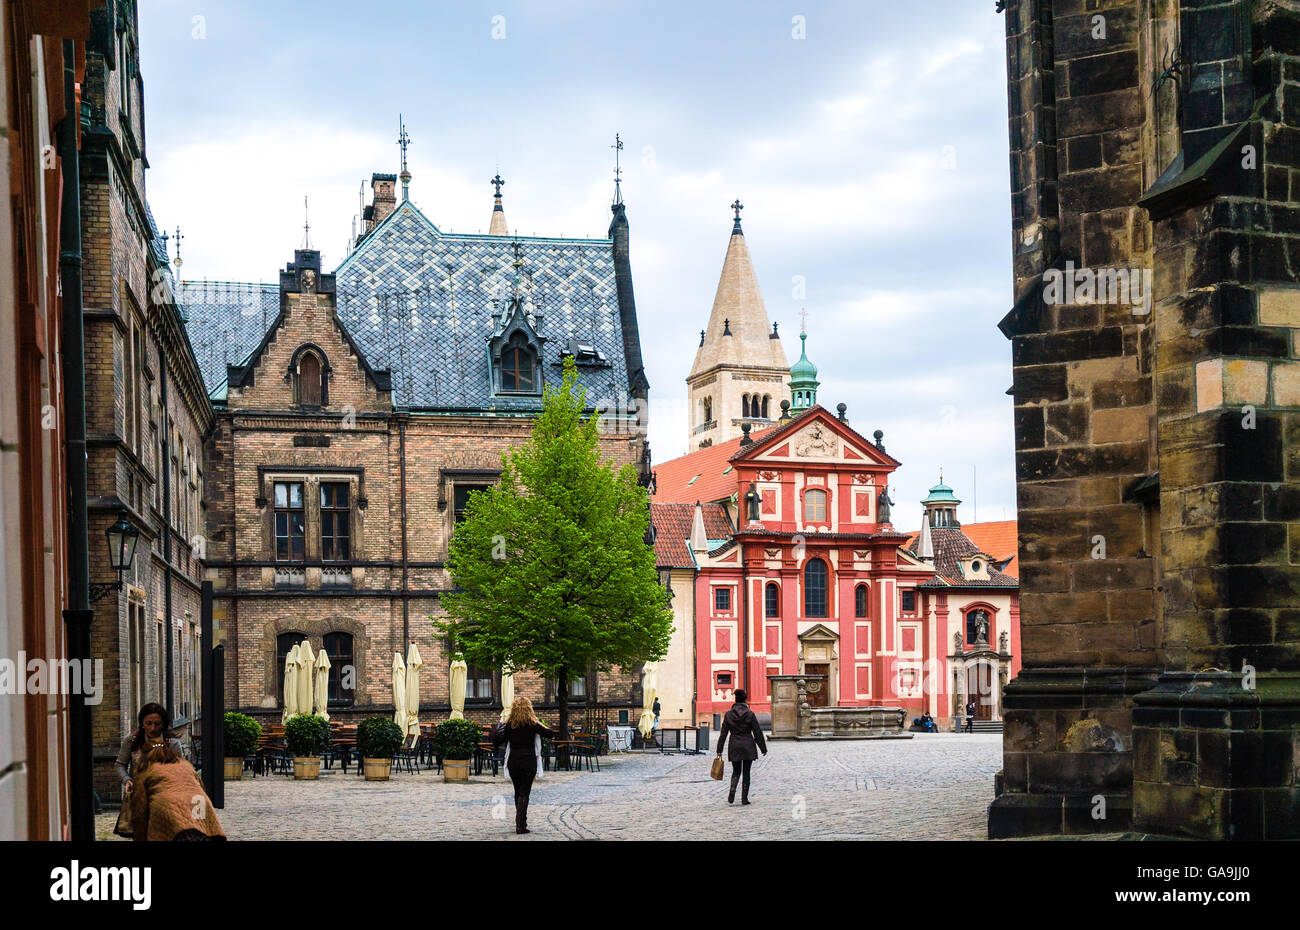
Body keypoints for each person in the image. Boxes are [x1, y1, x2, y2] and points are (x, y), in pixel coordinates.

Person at [128, 742, 226, 841]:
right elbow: (201, 786)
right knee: (201, 833)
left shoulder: (144, 768)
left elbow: (139, 803)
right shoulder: (185, 764)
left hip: (167, 805)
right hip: (199, 800)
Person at [491, 696, 557, 834]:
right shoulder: (532, 724)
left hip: (513, 760)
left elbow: (499, 740)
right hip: (528, 760)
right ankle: (520, 824)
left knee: (517, 792)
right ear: (529, 708)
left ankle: (521, 822)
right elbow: (550, 734)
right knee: (524, 793)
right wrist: (540, 723)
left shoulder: (509, 725)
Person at [115, 703, 187, 823]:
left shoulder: (172, 744)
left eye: (157, 724)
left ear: (163, 724)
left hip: (166, 801)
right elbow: (120, 765)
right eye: (148, 723)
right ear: (142, 723)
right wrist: (127, 780)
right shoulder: (131, 741)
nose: (153, 728)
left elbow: (182, 773)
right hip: (138, 799)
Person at [715, 688, 767, 805]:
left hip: (734, 744)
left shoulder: (728, 714)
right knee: (747, 772)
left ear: (735, 699)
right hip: (748, 744)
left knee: (736, 771)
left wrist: (719, 749)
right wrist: (763, 748)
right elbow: (757, 732)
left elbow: (723, 733)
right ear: (745, 699)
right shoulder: (750, 714)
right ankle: (744, 798)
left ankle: (732, 790)